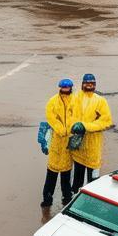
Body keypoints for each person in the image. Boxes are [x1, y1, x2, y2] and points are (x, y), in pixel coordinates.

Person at [69, 73, 112, 189]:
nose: (89, 85)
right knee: (77, 179)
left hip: (93, 148)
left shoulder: (100, 101)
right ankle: (75, 195)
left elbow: (106, 122)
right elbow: (68, 116)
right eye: (87, 83)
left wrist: (85, 126)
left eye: (92, 83)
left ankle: (91, 198)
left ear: (95, 84)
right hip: (78, 146)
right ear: (82, 84)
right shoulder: (74, 98)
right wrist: (73, 126)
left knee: (93, 181)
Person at [42, 78, 76, 207]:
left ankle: (66, 197)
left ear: (71, 88)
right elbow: (50, 117)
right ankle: (47, 198)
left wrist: (70, 129)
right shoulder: (53, 101)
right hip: (56, 141)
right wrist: (60, 128)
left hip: (68, 141)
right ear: (60, 88)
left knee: (66, 174)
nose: (65, 89)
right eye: (63, 87)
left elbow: (78, 116)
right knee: (52, 172)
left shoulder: (76, 101)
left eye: (67, 87)